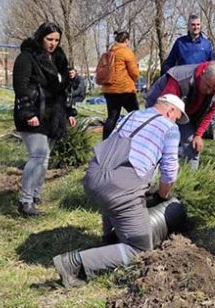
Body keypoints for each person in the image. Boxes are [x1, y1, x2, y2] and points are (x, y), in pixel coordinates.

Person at [52, 94, 187, 288]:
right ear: (170, 111)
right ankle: (73, 265)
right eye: (177, 117)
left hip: (93, 176)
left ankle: (109, 240)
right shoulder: (169, 127)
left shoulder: (131, 115)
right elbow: (169, 170)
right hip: (120, 189)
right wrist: (163, 195)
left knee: (112, 196)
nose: (176, 121)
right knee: (140, 250)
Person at [12, 22, 77, 216]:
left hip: (52, 115)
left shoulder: (58, 58)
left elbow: (62, 90)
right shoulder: (27, 57)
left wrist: (69, 112)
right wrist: (28, 113)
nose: (53, 43)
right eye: (49, 39)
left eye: (57, 40)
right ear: (40, 37)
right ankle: (25, 202)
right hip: (33, 114)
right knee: (38, 155)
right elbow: (20, 87)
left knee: (45, 158)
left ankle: (34, 195)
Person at [145, 62, 215, 170]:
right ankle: (153, 176)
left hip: (187, 111)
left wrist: (198, 135)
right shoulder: (180, 79)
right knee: (160, 143)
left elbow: (209, 113)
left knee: (192, 144)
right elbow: (164, 110)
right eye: (207, 86)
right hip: (160, 107)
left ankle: (189, 179)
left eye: (213, 90)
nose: (209, 92)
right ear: (202, 74)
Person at [101, 31, 140, 139]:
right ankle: (135, 138)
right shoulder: (126, 52)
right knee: (135, 115)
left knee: (112, 117)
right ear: (127, 40)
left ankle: (105, 142)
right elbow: (134, 73)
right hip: (125, 90)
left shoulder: (110, 52)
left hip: (109, 90)